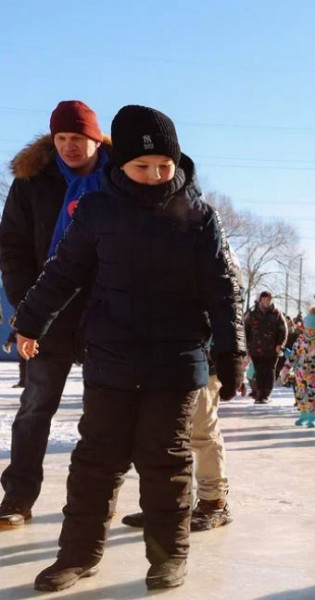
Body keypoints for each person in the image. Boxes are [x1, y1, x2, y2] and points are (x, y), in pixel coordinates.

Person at [13, 105, 245, 591]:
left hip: (178, 359)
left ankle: (167, 557)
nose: (157, 175)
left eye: (166, 165)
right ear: (121, 167)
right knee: (96, 459)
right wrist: (30, 321)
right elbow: (64, 272)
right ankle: (77, 555)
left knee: (166, 460)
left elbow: (222, 288)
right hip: (111, 353)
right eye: (143, 167)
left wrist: (231, 351)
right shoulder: (97, 211)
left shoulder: (199, 216)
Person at [0, 101, 109, 530]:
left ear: (95, 139)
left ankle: (98, 498)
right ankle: (16, 497)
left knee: (105, 408)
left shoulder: (120, 177)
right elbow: (11, 246)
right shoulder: (32, 182)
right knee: (35, 406)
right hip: (49, 307)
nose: (69, 147)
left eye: (77, 139)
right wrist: (28, 305)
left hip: (105, 308)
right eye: (60, 139)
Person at [120, 344, 239, 533]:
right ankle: (169, 503)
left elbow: (228, 320)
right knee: (164, 434)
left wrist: (232, 359)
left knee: (202, 432)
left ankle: (214, 501)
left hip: (200, 360)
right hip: (157, 364)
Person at [244, 291, 288, 404]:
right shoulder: (252, 314)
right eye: (264, 299)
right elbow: (246, 331)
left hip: (272, 349)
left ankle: (266, 394)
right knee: (258, 371)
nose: (266, 301)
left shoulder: (277, 314)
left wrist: (280, 345)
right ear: (260, 300)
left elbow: (283, 331)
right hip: (256, 348)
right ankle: (259, 394)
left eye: (268, 299)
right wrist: (247, 346)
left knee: (269, 371)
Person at [292, 307, 315, 428]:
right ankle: (303, 416)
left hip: (314, 373)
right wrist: (286, 367)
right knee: (301, 394)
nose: (311, 332)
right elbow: (294, 354)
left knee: (313, 395)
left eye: (314, 329)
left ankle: (312, 417)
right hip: (300, 373)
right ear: (305, 327)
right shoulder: (300, 339)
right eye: (309, 329)